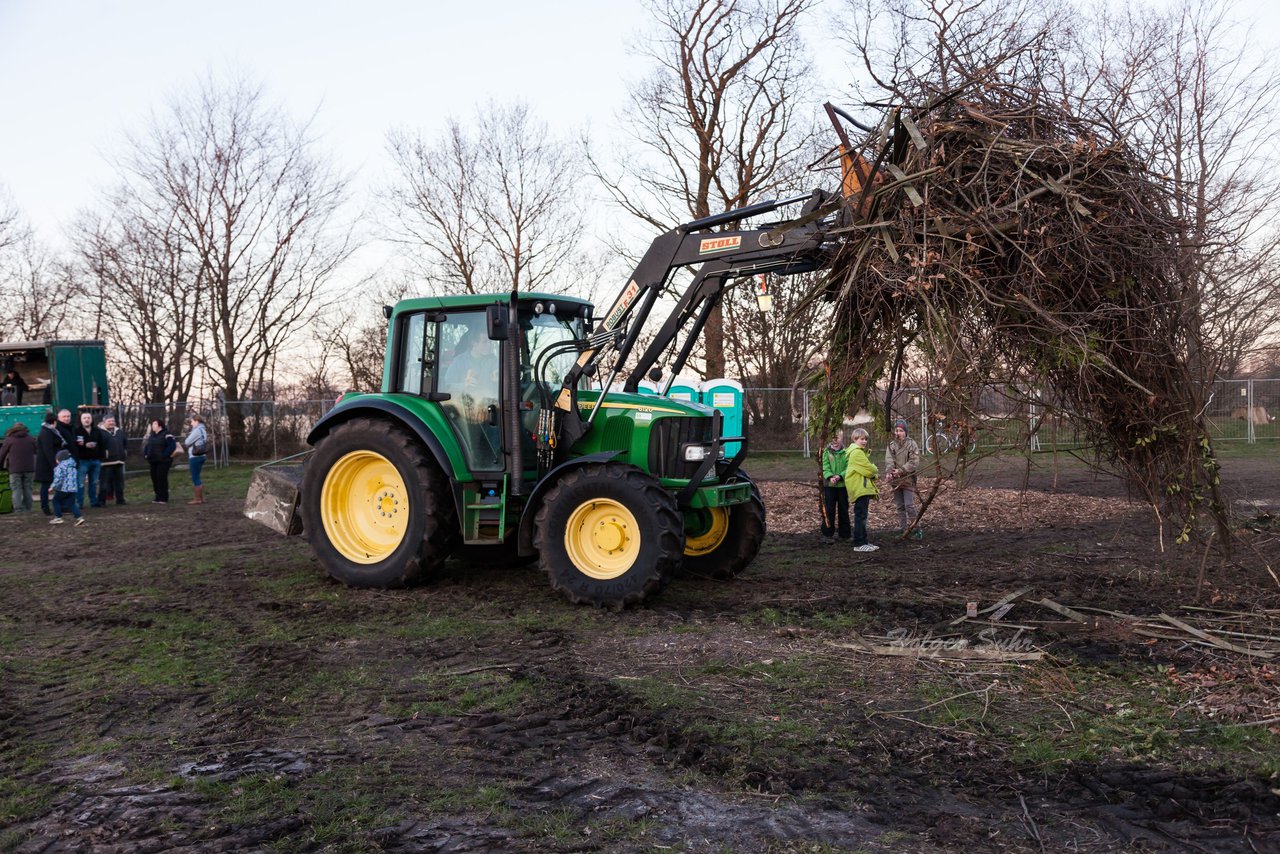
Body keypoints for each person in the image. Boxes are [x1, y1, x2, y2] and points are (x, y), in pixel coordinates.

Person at [885, 418, 923, 539]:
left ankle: (916, 529)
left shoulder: (912, 444)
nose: (898, 433)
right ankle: (903, 529)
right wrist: (890, 472)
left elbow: (914, 462)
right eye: (896, 430)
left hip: (908, 480)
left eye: (901, 430)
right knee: (900, 506)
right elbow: (889, 460)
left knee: (909, 505)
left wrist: (901, 471)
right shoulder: (891, 445)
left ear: (905, 431)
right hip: (895, 481)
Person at [844, 427, 880, 552]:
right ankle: (859, 543)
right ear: (855, 439)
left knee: (862, 515)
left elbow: (867, 471)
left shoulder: (858, 452)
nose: (864, 441)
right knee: (861, 516)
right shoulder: (857, 453)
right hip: (860, 488)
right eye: (861, 439)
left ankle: (864, 541)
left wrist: (872, 472)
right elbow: (870, 470)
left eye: (865, 439)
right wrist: (875, 470)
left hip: (862, 487)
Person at [35, 411, 69, 516]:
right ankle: (46, 508)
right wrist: (55, 465)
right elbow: (48, 450)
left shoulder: (47, 431)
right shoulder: (47, 432)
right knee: (46, 486)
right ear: (54, 422)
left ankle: (58, 506)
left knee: (53, 485)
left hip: (48, 463)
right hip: (47, 464)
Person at [819, 430, 851, 543]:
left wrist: (840, 476)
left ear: (842, 438)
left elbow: (848, 467)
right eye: (833, 437)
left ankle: (845, 534)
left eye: (837, 437)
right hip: (830, 486)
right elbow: (825, 467)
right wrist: (830, 477)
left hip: (842, 486)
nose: (835, 440)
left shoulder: (847, 452)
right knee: (829, 510)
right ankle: (827, 534)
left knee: (843, 509)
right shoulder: (826, 452)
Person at [0, 422, 38, 512]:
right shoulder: (30, 439)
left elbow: (2, 455)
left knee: (16, 489)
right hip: (29, 468)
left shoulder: (9, 440)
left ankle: (18, 508)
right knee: (28, 488)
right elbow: (36, 451)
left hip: (14, 469)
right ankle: (28, 508)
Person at [74, 411, 107, 508]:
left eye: (88, 418)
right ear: (81, 420)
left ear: (91, 419)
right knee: (80, 483)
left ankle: (93, 501)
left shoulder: (96, 431)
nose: (87, 420)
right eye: (84, 418)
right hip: (82, 460)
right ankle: (79, 503)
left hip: (95, 460)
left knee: (93, 482)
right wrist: (85, 445)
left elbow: (101, 444)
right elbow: (74, 445)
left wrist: (101, 456)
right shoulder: (77, 431)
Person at [142, 419, 177, 504]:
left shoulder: (167, 434)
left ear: (160, 425)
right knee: (154, 478)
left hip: (164, 461)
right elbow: (147, 446)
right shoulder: (152, 435)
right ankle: (157, 496)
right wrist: (146, 454)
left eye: (154, 424)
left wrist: (164, 455)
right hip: (153, 460)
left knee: (161, 478)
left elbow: (172, 445)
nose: (153, 425)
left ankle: (163, 497)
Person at [98, 414, 128, 505]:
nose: (111, 423)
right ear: (104, 422)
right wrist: (104, 454)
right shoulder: (100, 432)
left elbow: (125, 443)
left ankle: (120, 500)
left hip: (119, 461)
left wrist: (124, 452)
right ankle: (101, 501)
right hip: (106, 462)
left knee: (119, 483)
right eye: (109, 421)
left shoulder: (119, 432)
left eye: (113, 421)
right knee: (104, 483)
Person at [49, 449, 85, 526]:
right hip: (73, 489)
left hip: (63, 488)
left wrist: (52, 487)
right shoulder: (73, 466)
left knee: (56, 501)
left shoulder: (60, 467)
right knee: (71, 503)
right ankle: (79, 517)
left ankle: (58, 517)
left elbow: (58, 478)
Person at [182, 413, 210, 505]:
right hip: (202, 455)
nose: (191, 424)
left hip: (195, 456)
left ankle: (198, 499)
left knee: (195, 477)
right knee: (197, 476)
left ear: (197, 421)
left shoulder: (197, 430)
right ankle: (201, 498)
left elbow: (187, 442)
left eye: (192, 422)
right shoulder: (203, 430)